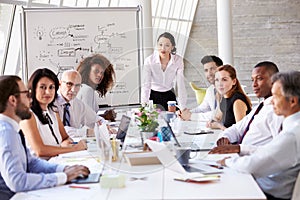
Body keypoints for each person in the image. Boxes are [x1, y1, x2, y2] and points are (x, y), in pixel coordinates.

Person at [0, 75, 90, 200]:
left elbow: (31, 163)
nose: (30, 99)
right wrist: (63, 177)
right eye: (26, 94)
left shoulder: (12, 129)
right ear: (13, 100)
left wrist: (64, 169)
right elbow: (17, 182)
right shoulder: (5, 133)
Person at [218, 71, 300, 200]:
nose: (271, 102)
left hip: (266, 192)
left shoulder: (292, 134)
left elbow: (252, 165)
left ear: (293, 101)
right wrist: (242, 149)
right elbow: (272, 152)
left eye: (276, 96)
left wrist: (227, 161)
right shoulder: (293, 127)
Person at [209, 61, 283, 155]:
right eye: (253, 80)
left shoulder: (278, 111)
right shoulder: (260, 107)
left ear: (275, 81)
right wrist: (225, 137)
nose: (254, 84)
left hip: (255, 162)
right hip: (241, 157)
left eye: (259, 79)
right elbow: (237, 128)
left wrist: (240, 149)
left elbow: (278, 150)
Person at [20, 68, 87, 159]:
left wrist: (65, 143)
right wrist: (75, 148)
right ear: (33, 89)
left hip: (57, 160)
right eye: (42, 87)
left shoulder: (53, 112)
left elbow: (66, 138)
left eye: (51, 87)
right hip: (40, 167)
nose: (48, 92)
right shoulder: (28, 116)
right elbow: (40, 151)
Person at [141, 32, 187, 111]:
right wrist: (144, 106)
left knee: (174, 120)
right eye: (160, 44)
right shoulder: (149, 61)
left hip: (169, 95)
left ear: (172, 47)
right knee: (154, 121)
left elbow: (181, 84)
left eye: (167, 45)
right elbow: (146, 85)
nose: (163, 48)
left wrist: (183, 107)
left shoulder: (178, 60)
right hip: (153, 95)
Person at [55, 70, 103, 138]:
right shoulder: (50, 102)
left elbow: (96, 119)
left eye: (77, 85)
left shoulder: (77, 104)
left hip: (74, 146)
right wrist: (87, 132)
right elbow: (58, 130)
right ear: (60, 84)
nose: (73, 90)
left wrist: (105, 127)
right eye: (69, 84)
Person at [179, 55, 223, 121]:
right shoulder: (211, 90)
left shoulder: (226, 89)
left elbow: (219, 115)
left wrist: (191, 116)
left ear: (221, 69)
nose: (209, 73)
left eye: (212, 69)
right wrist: (185, 113)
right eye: (206, 70)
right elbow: (202, 109)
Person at [207, 64, 252, 130]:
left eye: (224, 80)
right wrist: (211, 122)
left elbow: (240, 132)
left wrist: (220, 126)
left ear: (234, 81)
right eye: (217, 80)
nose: (220, 84)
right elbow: (217, 117)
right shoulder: (224, 97)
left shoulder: (237, 101)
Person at [76, 54, 116, 121]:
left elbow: (89, 115)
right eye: (96, 71)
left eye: (102, 73)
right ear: (88, 71)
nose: (100, 75)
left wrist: (104, 117)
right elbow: (87, 120)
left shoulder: (84, 88)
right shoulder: (87, 90)